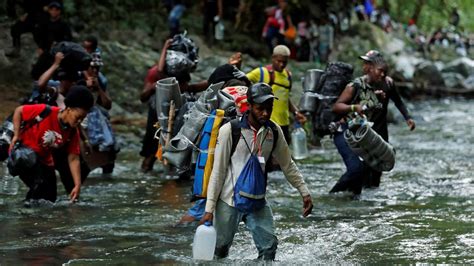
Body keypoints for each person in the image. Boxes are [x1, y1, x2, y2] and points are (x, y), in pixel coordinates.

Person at [200, 83, 313, 260]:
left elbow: (287, 164)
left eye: (269, 108)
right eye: (260, 108)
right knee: (219, 251)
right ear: (250, 105)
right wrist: (209, 209)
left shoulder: (273, 131)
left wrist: (304, 192)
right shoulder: (230, 131)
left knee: (269, 248)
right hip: (229, 201)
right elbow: (218, 171)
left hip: (257, 200)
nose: (265, 113)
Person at [330, 50, 416, 197]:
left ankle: (370, 201)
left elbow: (398, 101)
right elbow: (339, 107)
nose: (366, 66)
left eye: (369, 63)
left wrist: (407, 118)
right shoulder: (357, 85)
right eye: (366, 64)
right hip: (362, 133)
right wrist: (355, 107)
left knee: (377, 169)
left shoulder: (388, 84)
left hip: (380, 132)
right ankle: (339, 195)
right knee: (359, 169)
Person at [9, 86, 94, 203]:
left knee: (50, 198)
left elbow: (73, 158)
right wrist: (16, 135)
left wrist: (77, 185)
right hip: (24, 155)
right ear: (69, 109)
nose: (79, 122)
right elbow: (19, 111)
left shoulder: (72, 131)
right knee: (39, 188)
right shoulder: (46, 111)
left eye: (82, 119)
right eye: (78, 117)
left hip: (45, 160)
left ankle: (35, 215)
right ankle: (27, 214)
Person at [139, 39, 207, 172]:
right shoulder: (156, 74)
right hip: (157, 115)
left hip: (177, 114)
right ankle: (148, 170)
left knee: (178, 150)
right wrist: (153, 87)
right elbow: (143, 96)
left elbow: (189, 87)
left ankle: (173, 174)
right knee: (151, 151)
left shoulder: (183, 74)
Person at [246, 45, 306, 144]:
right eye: (279, 61)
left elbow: (286, 98)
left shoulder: (288, 75)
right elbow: (242, 82)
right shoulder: (261, 72)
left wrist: (296, 113)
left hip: (284, 123)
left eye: (284, 62)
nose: (281, 64)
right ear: (273, 58)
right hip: (267, 121)